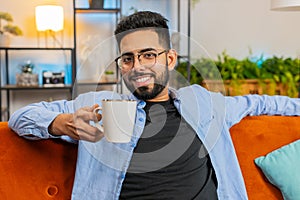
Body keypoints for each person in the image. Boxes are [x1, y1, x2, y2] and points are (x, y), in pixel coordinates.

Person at [8, 11, 299, 200]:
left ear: (170, 59)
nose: (138, 67)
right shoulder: (98, 106)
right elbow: (20, 118)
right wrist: (60, 123)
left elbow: (260, 102)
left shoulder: (203, 102)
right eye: (128, 58)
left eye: (148, 55)